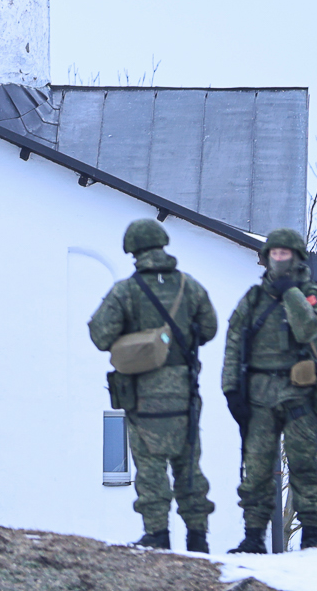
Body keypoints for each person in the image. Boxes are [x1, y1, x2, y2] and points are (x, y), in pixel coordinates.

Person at [89, 218, 219, 552]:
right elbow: (209, 329)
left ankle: (158, 535)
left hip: (141, 394)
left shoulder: (125, 291)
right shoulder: (189, 286)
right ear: (163, 244)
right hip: (184, 391)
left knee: (150, 467)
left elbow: (101, 336)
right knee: (188, 465)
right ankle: (198, 538)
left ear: (132, 249)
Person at [221, 227, 317, 552]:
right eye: (274, 253)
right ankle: (253, 536)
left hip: (299, 392)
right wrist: (230, 389)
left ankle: (311, 536)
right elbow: (234, 341)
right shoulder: (253, 299)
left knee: (304, 464)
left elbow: (308, 326)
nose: (278, 259)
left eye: (284, 254)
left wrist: (291, 293)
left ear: (296, 257)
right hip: (259, 394)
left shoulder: (312, 294)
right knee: (255, 466)